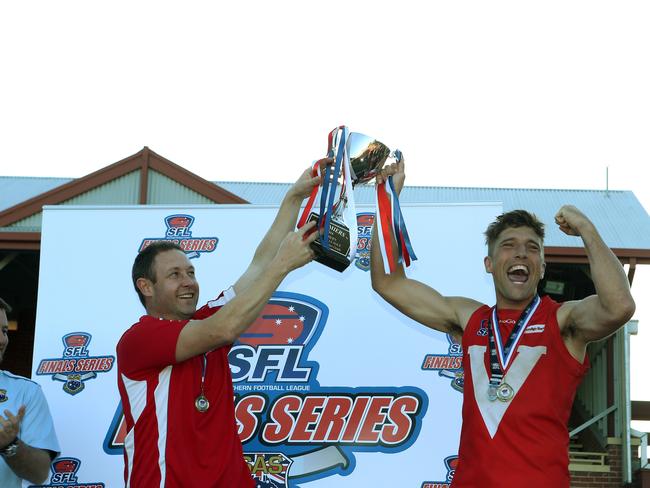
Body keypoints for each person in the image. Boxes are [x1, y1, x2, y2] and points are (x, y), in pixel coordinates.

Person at [370, 161, 636, 487]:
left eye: (532, 248)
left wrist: (587, 229)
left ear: (541, 267)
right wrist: (388, 199)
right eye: (508, 246)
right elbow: (388, 282)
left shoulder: (563, 321)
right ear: (490, 263)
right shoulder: (470, 318)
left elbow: (619, 306)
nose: (521, 254)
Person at [116, 167, 320, 487]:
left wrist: (293, 198)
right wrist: (284, 265)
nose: (189, 282)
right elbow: (223, 330)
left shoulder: (206, 318)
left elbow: (260, 264)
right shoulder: (138, 339)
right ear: (146, 286)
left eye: (191, 272)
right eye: (175, 275)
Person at [0, 297, 60, 487]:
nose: (3, 339)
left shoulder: (25, 392)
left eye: (4, 331)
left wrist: (10, 445)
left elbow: (40, 473)